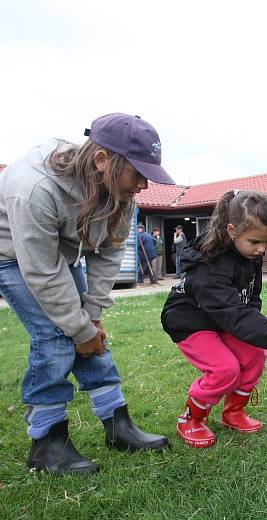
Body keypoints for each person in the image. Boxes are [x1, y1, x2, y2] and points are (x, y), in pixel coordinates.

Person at [0, 113, 173, 475]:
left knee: (86, 333)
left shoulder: (119, 192)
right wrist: (78, 329)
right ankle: (46, 442)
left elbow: (110, 250)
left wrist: (91, 317)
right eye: (137, 174)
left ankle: (117, 424)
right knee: (55, 334)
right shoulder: (34, 188)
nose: (143, 185)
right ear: (101, 161)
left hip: (59, 255)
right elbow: (41, 270)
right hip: (13, 256)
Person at [161, 190, 267, 448]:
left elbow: (249, 302)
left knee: (255, 355)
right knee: (225, 369)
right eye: (255, 241)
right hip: (190, 321)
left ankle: (233, 412)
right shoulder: (210, 266)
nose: (262, 249)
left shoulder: (249, 256)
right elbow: (234, 314)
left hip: (221, 318)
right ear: (231, 230)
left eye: (266, 241)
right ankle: (191, 419)